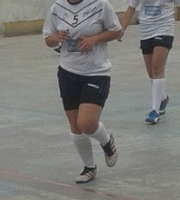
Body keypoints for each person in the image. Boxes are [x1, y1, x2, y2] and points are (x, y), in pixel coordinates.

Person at [43, 0, 122, 183]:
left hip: (96, 72)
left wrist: (94, 39)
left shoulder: (100, 5)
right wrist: (56, 37)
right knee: (75, 124)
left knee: (87, 123)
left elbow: (116, 31)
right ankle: (89, 167)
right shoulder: (56, 8)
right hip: (67, 72)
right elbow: (48, 39)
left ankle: (106, 141)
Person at [119, 0, 180, 125]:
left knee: (157, 68)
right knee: (151, 72)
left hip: (164, 29)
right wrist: (121, 29)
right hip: (146, 31)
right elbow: (131, 9)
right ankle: (163, 98)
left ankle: (155, 111)